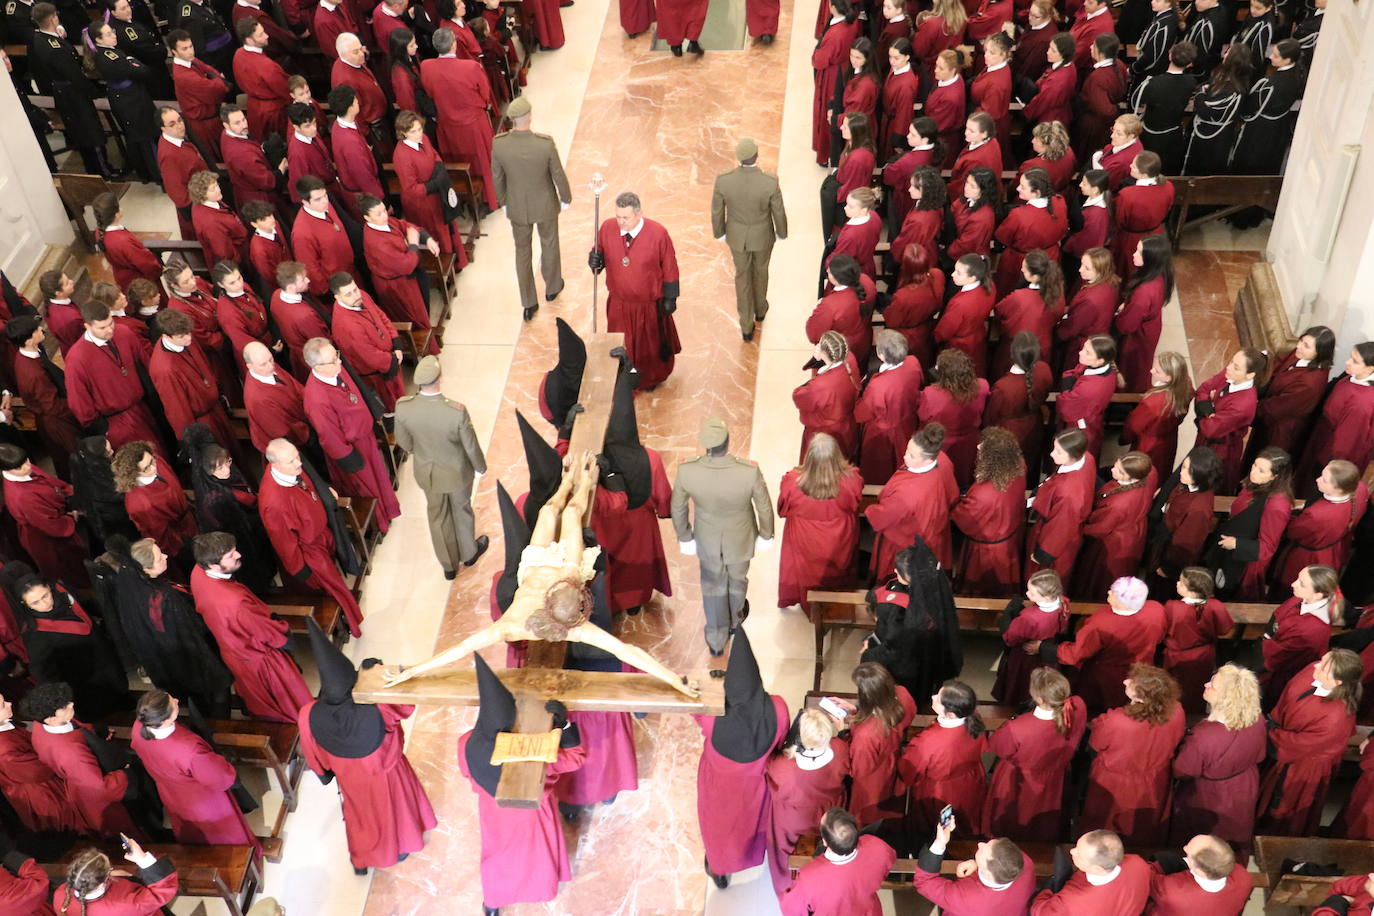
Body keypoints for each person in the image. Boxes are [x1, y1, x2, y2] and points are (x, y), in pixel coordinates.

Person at [297, 618, 435, 875]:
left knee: (361, 819)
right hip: (387, 775)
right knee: (396, 810)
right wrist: (378, 674)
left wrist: (326, 773)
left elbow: (317, 759)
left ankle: (361, 860)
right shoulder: (378, 707)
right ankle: (402, 845)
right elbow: (405, 705)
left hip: (352, 782)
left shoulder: (308, 714)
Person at [671, 418, 774, 656]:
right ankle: (735, 624)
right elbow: (764, 507)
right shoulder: (748, 471)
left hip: (707, 539)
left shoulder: (687, 470)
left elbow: (678, 508)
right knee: (738, 580)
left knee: (712, 586)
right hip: (740, 538)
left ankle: (716, 637)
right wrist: (766, 534)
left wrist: (685, 536)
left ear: (705, 446)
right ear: (727, 443)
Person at [695, 629, 788, 888]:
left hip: (718, 790)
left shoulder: (714, 718)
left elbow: (695, 710)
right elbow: (780, 743)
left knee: (718, 832)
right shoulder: (779, 709)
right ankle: (751, 857)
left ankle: (719, 869)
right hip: (757, 788)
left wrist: (710, 688)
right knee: (751, 826)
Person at [190, 531, 314, 722]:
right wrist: (285, 635)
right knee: (290, 701)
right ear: (214, 564)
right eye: (231, 555)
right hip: (257, 655)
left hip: (233, 650)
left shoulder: (198, 571)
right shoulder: (236, 602)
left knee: (257, 697)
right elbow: (265, 631)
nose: (238, 555)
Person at [103, 537, 234, 718]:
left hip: (161, 658)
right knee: (216, 688)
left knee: (194, 695)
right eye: (158, 558)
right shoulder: (164, 600)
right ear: (146, 569)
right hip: (188, 654)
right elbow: (192, 630)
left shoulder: (129, 579)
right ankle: (220, 723)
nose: (165, 556)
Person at [394, 355, 489, 578]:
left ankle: (448, 566)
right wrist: (480, 467)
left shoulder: (404, 407)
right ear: (440, 379)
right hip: (457, 474)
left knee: (437, 517)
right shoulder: (455, 411)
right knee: (462, 511)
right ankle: (469, 553)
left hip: (428, 474)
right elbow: (471, 445)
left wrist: (424, 453)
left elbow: (404, 442)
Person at [259, 438, 366, 633]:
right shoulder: (273, 502)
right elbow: (284, 543)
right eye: (291, 461)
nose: (299, 463)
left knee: (336, 580)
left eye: (297, 456)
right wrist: (303, 571)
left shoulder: (292, 471)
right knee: (333, 588)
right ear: (274, 465)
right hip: (310, 551)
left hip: (321, 535)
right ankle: (351, 622)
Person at [130, 689, 259, 848]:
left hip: (170, 791)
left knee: (191, 832)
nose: (177, 700)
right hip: (201, 799)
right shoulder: (188, 751)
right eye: (173, 703)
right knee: (221, 835)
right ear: (166, 720)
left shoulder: (138, 727)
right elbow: (219, 777)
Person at [301, 334, 402, 529]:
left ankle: (389, 508)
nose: (339, 360)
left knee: (379, 476)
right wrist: (351, 459)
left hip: (366, 436)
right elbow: (330, 437)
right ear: (318, 367)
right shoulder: (317, 400)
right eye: (334, 359)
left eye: (336, 355)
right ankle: (380, 520)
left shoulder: (334, 369)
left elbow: (356, 389)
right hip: (354, 449)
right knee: (368, 486)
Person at [1257, 649, 1362, 835]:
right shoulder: (1312, 671)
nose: (1316, 665)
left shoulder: (1336, 717)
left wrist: (1265, 731)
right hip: (1283, 742)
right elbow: (1287, 697)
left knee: (1285, 805)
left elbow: (1299, 743)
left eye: (1324, 667)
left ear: (1337, 682)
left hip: (1303, 766)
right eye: (1322, 660)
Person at [1080, 664, 1185, 845]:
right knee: (1144, 826)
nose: (1125, 681)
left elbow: (1096, 743)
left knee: (1108, 828)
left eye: (1132, 683)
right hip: (1155, 778)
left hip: (1117, 783)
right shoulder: (1176, 711)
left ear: (1142, 695)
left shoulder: (1118, 721)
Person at [489, 96, 572, 321]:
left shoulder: (499, 143)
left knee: (522, 253)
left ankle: (528, 303)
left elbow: (497, 178)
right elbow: (557, 174)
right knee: (550, 244)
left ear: (513, 121)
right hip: (544, 204)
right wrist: (566, 197)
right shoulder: (544, 144)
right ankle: (553, 287)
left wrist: (504, 202)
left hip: (517, 207)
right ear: (530, 117)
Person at [21, 681, 141, 837]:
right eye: (64, 707)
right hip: (97, 792)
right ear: (50, 718)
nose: (71, 704)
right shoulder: (70, 752)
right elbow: (99, 788)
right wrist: (126, 774)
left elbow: (77, 728)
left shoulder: (43, 725)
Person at [588, 192, 682, 390]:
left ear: (639, 214)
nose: (620, 222)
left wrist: (671, 296)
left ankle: (649, 379)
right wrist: (594, 260)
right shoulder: (606, 228)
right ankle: (624, 377)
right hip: (619, 304)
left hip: (647, 306)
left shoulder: (658, 234)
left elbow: (669, 265)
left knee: (648, 348)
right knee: (622, 345)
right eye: (618, 217)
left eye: (626, 218)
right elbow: (600, 255)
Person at [1170, 663, 1266, 848]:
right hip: (1242, 787)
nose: (1206, 685)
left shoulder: (1204, 736)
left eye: (1212, 685)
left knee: (1205, 842)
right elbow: (1260, 752)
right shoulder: (1257, 718)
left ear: (1225, 698)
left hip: (1209, 795)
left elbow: (1182, 770)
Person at [985, 667, 1085, 841]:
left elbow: (997, 747)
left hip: (1020, 782)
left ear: (1037, 697)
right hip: (1056, 777)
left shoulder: (1019, 727)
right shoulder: (1077, 707)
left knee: (1016, 821)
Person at [861, 540, 963, 701]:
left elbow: (893, 647)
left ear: (901, 575)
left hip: (908, 665)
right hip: (932, 655)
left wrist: (868, 653)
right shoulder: (937, 589)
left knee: (906, 695)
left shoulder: (897, 609)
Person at [1049, 576, 1166, 714]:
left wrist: (1047, 649)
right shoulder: (1156, 609)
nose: (1109, 592)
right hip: (1141, 672)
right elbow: (1160, 636)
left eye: (1113, 592)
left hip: (1105, 677)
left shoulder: (1101, 624)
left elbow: (1077, 654)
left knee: (1099, 709)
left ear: (1122, 602)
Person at [712, 137, 788, 342]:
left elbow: (717, 210)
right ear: (756, 156)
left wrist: (719, 233)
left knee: (742, 277)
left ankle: (746, 325)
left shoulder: (723, 180)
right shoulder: (769, 182)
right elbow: (778, 212)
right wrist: (781, 233)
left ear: (738, 158)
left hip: (737, 238)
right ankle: (760, 309)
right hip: (763, 236)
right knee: (761, 271)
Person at [766, 709, 850, 891]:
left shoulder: (784, 766)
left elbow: (772, 780)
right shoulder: (840, 748)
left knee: (778, 828)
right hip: (828, 813)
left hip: (795, 819)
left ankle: (785, 880)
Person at [777, 433, 862, 612]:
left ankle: (808, 601)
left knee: (806, 571)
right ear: (837, 456)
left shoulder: (793, 482)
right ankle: (836, 600)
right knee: (838, 570)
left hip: (805, 535)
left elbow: (783, 509)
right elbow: (856, 503)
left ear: (809, 457)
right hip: (839, 534)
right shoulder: (852, 479)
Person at [865, 423, 958, 578]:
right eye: (907, 450)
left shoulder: (907, 494)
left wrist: (870, 510)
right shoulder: (943, 459)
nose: (904, 456)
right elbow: (952, 494)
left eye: (912, 455)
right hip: (932, 536)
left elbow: (881, 518)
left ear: (928, 459)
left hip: (906, 544)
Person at [421, 28, 499, 211]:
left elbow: (429, 92)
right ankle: (490, 198)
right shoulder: (470, 67)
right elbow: (485, 93)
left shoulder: (426, 67)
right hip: (473, 124)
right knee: (483, 160)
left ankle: (465, 200)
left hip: (447, 125)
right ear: (454, 44)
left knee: (457, 163)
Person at [898, 681, 987, 838]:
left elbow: (909, 772)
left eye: (938, 698)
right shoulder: (973, 719)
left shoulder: (929, 741)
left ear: (950, 714)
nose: (933, 697)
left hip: (939, 792)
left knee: (932, 826)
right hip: (969, 782)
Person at [27, 3, 108, 177]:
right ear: (52, 18)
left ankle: (94, 168)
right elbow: (73, 73)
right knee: (90, 132)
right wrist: (93, 91)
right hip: (73, 93)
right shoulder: (54, 48)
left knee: (82, 133)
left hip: (63, 92)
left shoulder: (41, 38)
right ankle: (103, 170)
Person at [1206, 446, 1293, 601]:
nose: (1253, 472)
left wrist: (1236, 544)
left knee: (1225, 594)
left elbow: (1267, 547)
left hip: (1241, 561)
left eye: (1261, 470)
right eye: (1254, 465)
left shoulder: (1277, 505)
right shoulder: (1256, 485)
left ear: (1275, 476)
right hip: (1227, 548)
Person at [781, 807, 897, 915]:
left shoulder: (809, 876)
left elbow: (792, 909)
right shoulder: (878, 847)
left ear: (825, 842)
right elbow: (889, 860)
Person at [0, 444, 87, 586]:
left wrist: (69, 491)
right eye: (20, 467)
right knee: (69, 567)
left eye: (26, 460)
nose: (27, 467)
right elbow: (50, 525)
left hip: (55, 517)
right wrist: (71, 517)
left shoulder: (24, 470)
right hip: (45, 536)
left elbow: (52, 482)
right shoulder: (21, 496)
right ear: (5, 470)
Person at [0, 690, 85, 834]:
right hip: (42, 790)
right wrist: (60, 757)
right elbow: (35, 773)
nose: (9, 703)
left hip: (40, 775)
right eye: (2, 705)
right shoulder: (4, 749)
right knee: (72, 814)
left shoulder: (5, 727)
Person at [1073, 452, 1156, 599]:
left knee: (1099, 577)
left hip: (1113, 543)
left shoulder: (1119, 504)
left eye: (1119, 471)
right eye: (1116, 466)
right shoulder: (1146, 476)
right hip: (1131, 532)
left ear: (1132, 477)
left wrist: (1077, 528)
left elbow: (1100, 529)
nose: (1112, 470)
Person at [1246, 325, 1335, 461]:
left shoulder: (1310, 383)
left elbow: (1279, 407)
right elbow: (1278, 364)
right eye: (1301, 341)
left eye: (1306, 345)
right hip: (1268, 413)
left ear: (1320, 352)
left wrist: (1247, 408)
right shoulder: (1300, 353)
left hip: (1279, 430)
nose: (1299, 346)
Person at [392, 110, 469, 265]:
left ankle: (459, 258)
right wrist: (434, 185)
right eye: (413, 131)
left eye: (420, 129)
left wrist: (440, 169)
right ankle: (447, 265)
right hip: (423, 204)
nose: (418, 134)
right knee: (437, 233)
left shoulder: (424, 138)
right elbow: (411, 189)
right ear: (403, 133)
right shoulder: (401, 156)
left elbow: (434, 155)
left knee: (448, 227)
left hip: (438, 193)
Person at [1274, 460, 1367, 590]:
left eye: (1324, 480)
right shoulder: (1361, 488)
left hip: (1310, 557)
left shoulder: (1316, 515)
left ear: (1339, 489)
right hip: (1335, 549)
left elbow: (1293, 532)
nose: (1318, 479)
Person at [1298, 342, 1374, 496]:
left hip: (1330, 452)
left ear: (1370, 369)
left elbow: (1346, 444)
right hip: (1323, 436)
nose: (1347, 362)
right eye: (1351, 358)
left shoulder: (1361, 403)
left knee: (1312, 489)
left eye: (1355, 361)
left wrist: (1328, 465)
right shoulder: (1351, 377)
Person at [1261, 564, 1339, 709]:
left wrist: (1268, 638)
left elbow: (1277, 656)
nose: (1293, 584)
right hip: (1274, 653)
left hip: (1284, 673)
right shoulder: (1302, 599)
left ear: (1318, 595)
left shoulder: (1311, 629)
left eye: (1301, 584)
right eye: (1298, 578)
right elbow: (1278, 614)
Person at [90, 22, 161, 182]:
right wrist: (132, 62)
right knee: (145, 137)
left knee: (141, 136)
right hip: (130, 101)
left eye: (112, 31)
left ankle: (147, 172)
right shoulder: (109, 57)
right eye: (108, 34)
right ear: (98, 40)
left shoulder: (112, 51)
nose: (114, 35)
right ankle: (157, 174)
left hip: (131, 97)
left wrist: (132, 62)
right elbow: (141, 71)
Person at [328, 271, 406, 412]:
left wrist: (395, 342)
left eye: (355, 289)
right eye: (349, 294)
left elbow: (380, 315)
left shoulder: (361, 296)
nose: (356, 296)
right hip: (378, 372)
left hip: (390, 356)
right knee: (393, 404)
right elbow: (369, 355)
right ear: (337, 297)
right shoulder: (346, 325)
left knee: (400, 395)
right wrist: (392, 360)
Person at [1026, 429, 1096, 581]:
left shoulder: (1068, 494)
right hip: (1063, 521)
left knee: (1043, 577)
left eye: (1058, 451)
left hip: (1055, 537)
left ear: (1073, 454)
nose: (1051, 454)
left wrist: (1043, 554)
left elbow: (1061, 528)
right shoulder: (1087, 457)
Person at [854, 330, 922, 484]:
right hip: (907, 420)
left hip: (884, 434)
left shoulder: (878, 385)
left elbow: (862, 413)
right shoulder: (913, 362)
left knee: (880, 468)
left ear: (882, 356)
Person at [1194, 344, 1264, 492]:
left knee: (1208, 485)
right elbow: (1202, 389)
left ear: (1250, 375)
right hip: (1207, 440)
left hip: (1220, 450)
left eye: (1236, 367)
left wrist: (1205, 412)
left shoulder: (1243, 404)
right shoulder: (1229, 375)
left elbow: (1211, 430)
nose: (1229, 368)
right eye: (1231, 362)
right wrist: (1209, 412)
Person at [1161, 568, 1233, 712]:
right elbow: (1224, 629)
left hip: (1177, 656)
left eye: (1181, 583)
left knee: (1174, 689)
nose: (1177, 583)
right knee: (1197, 688)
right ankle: (1195, 714)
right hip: (1204, 655)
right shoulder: (1215, 605)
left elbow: (1163, 630)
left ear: (1192, 590)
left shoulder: (1172, 607)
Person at [993, 570, 1069, 705]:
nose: (1027, 594)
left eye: (1032, 593)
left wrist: (1006, 619)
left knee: (1022, 685)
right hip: (1048, 651)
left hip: (1025, 658)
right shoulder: (1063, 602)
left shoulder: (1029, 618)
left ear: (1046, 597)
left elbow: (1010, 638)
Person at [1031, 829, 1151, 914]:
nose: (1072, 851)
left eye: (1079, 855)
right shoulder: (1138, 863)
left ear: (1097, 868)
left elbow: (1040, 911)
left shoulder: (1071, 902)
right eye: (1077, 846)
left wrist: (1046, 890)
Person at [993, 169, 1067, 298]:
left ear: (1036, 192)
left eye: (1023, 187)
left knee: (1009, 290)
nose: (1017, 188)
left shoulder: (1019, 215)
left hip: (1020, 261)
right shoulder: (1059, 201)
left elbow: (1002, 236)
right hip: (1050, 255)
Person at [51, 842, 178, 914]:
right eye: (109, 869)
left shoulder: (61, 895)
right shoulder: (127, 905)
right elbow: (161, 892)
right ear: (102, 882)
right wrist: (143, 859)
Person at [1115, 236, 1173, 392]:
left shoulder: (1144, 293)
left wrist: (1120, 315)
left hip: (1138, 336)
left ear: (1150, 259)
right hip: (1149, 325)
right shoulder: (1158, 274)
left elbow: (1126, 326)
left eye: (1139, 252)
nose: (1134, 254)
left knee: (1132, 368)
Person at [1123, 351, 1193, 477]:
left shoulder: (1151, 403)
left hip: (1148, 444)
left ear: (1169, 377)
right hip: (1169, 438)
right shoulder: (1186, 385)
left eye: (1157, 371)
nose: (1151, 371)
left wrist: (1125, 438)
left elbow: (1134, 426)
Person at [794, 330, 860, 461]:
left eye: (819, 344)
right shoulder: (850, 358)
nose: (817, 346)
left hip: (825, 430)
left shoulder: (820, 386)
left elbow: (799, 398)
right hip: (846, 425)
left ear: (824, 353)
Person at [1145, 834, 1253, 913]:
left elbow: (1146, 878)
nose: (1184, 848)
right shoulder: (1244, 877)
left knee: (1163, 858)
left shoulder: (1171, 890)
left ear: (1200, 871)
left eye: (1188, 853)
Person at [811, 0, 861, 165]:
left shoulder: (835, 34)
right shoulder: (852, 21)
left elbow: (820, 61)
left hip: (831, 75)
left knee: (827, 110)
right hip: (843, 69)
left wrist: (815, 56)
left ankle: (824, 153)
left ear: (832, 8)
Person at [168, 30, 232, 159]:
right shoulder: (184, 75)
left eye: (191, 46)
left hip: (211, 117)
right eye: (184, 48)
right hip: (204, 125)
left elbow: (210, 70)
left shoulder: (190, 60)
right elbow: (215, 90)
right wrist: (219, 80)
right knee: (219, 156)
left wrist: (215, 78)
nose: (190, 51)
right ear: (174, 52)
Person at [292, 177, 359, 299]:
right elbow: (310, 268)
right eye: (318, 199)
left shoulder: (325, 207)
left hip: (351, 273)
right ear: (305, 202)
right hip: (337, 289)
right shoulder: (302, 233)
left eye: (325, 195)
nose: (325, 201)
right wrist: (326, 291)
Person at [1057, 247, 1118, 374]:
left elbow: (1072, 328)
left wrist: (1056, 332)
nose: (1080, 270)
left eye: (1087, 268)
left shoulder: (1090, 301)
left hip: (1083, 344)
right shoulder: (1109, 283)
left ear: (1100, 271)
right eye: (1082, 265)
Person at [883, 243, 944, 367]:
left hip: (907, 338)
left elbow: (891, 321)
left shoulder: (903, 296)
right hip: (926, 330)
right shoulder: (937, 276)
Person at [157, 107, 212, 240]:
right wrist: (202, 210)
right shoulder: (169, 156)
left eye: (180, 120)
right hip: (197, 208)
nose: (179, 125)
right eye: (172, 124)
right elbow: (178, 194)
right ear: (163, 129)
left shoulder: (178, 139)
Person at [233, 19, 291, 141]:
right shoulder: (268, 66)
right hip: (273, 113)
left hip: (254, 109)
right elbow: (286, 90)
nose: (266, 36)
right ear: (249, 40)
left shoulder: (238, 55)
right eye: (260, 35)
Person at [328, 86, 385, 209]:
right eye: (355, 100)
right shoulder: (350, 143)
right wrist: (379, 201)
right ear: (350, 108)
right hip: (365, 194)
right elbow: (363, 176)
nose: (358, 101)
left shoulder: (339, 125)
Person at [331, 33, 388, 135]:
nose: (362, 54)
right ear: (343, 55)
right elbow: (354, 114)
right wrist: (366, 136)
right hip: (372, 127)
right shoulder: (345, 80)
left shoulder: (352, 61)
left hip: (380, 115)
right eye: (355, 52)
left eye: (361, 49)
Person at [1024, 34, 1079, 130]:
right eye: (1050, 48)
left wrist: (1026, 112)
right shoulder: (1069, 65)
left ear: (1063, 55)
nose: (1048, 52)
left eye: (1053, 50)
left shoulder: (1056, 82)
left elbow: (1042, 103)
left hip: (1050, 120)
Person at [948, 165, 1000, 261]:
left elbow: (965, 246)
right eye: (967, 182)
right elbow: (954, 208)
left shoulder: (982, 218)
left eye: (973, 186)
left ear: (984, 191)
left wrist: (946, 252)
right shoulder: (970, 198)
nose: (966, 188)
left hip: (967, 259)